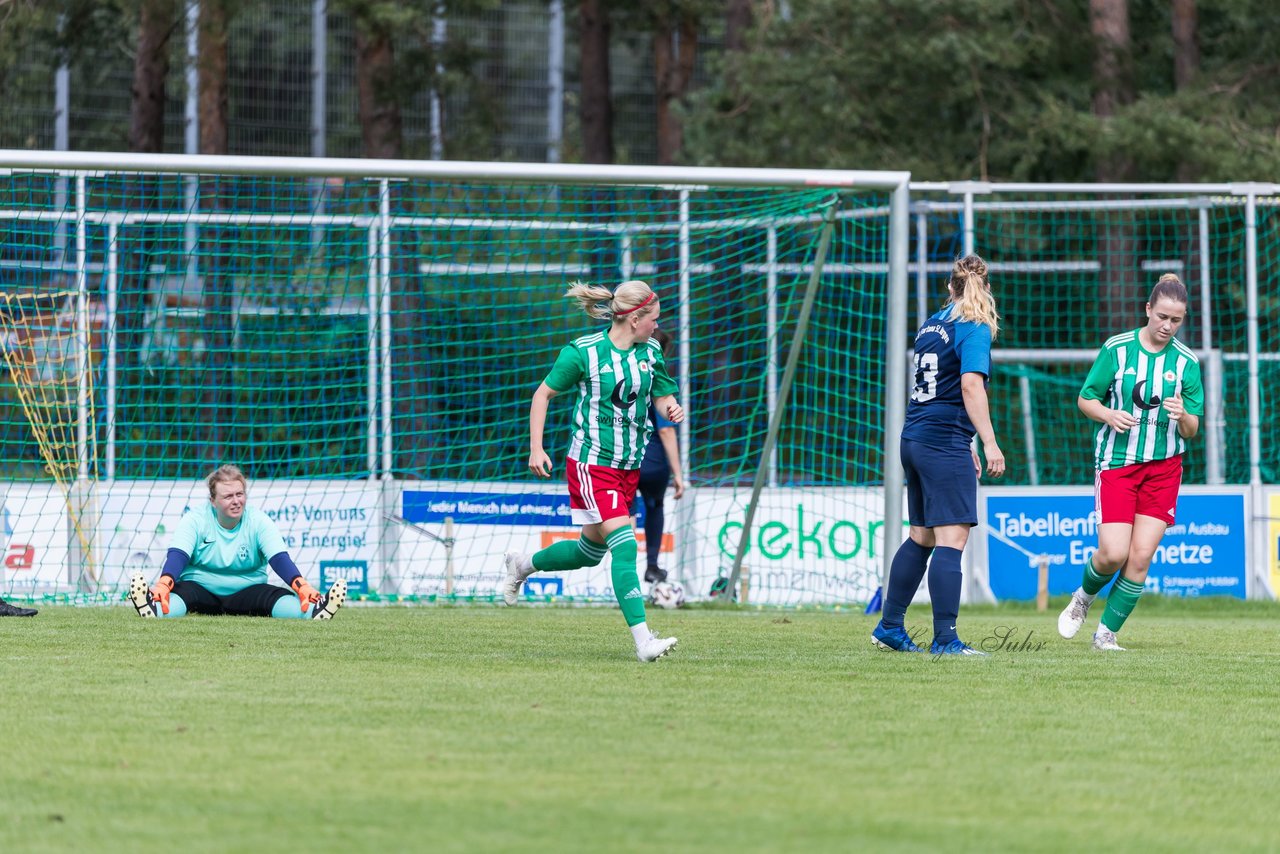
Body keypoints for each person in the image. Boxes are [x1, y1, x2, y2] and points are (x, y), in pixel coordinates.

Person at [501, 280, 686, 662]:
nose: (657, 326)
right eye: (653, 319)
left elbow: (663, 394)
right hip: (592, 463)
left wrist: (672, 408)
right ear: (635, 319)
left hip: (627, 468)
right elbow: (543, 395)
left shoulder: (650, 351)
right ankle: (643, 641)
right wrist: (536, 448)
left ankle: (523, 565)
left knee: (589, 552)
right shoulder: (584, 352)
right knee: (624, 544)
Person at [1058, 274, 1203, 651]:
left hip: (1164, 468)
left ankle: (1106, 635)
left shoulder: (1187, 362)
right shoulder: (1117, 349)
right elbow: (1085, 399)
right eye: (1162, 317)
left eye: (1176, 320)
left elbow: (1192, 429)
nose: (1168, 326)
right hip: (1118, 463)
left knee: (1140, 557)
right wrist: (1107, 415)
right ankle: (1083, 598)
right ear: (1148, 310)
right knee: (1113, 553)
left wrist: (1183, 414)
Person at [871, 254, 1006, 656]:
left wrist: (966, 442)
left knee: (922, 535)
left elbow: (940, 389)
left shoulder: (931, 326)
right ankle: (946, 640)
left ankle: (890, 626)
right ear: (985, 288)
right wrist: (989, 440)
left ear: (950, 287)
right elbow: (968, 386)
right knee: (952, 539)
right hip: (941, 442)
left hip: (915, 438)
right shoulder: (975, 326)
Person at [127, 464, 346, 620]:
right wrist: (164, 584)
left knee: (275, 597)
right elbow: (178, 555)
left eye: (240, 494)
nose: (236, 501)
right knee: (180, 595)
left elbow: (279, 558)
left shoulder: (258, 521)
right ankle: (153, 609)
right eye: (228, 496)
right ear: (212, 501)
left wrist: (302, 586)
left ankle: (315, 612)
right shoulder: (194, 519)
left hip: (247, 589)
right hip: (201, 588)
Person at [630, 328, 685, 585]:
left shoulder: (626, 374)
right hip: (652, 463)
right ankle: (652, 565)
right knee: (655, 506)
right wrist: (678, 474)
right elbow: (666, 432)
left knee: (626, 512)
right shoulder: (658, 381)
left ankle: (626, 571)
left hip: (625, 458)